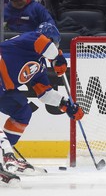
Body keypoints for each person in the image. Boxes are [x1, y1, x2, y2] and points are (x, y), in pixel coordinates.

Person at [0, 23, 84, 177]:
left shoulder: (40, 65)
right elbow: (44, 44)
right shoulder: (30, 38)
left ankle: (4, 156)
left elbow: (45, 94)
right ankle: (3, 152)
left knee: (22, 112)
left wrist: (65, 104)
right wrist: (58, 57)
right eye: (56, 44)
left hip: (5, 89)